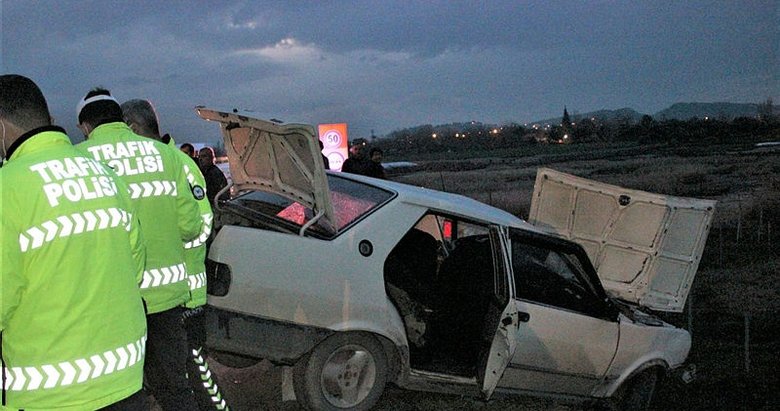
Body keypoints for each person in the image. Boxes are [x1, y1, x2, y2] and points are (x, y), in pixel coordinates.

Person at [0, 75, 147, 410]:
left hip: (47, 394)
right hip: (124, 379)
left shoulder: (7, 189)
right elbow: (135, 265)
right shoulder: (105, 176)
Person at [75, 88, 203, 410]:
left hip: (113, 305)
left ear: (85, 127)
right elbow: (191, 226)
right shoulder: (168, 156)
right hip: (166, 299)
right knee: (175, 388)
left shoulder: (80, 161)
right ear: (122, 120)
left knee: (123, 395)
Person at [120, 98, 230, 410]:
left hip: (185, 296)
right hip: (164, 297)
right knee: (172, 380)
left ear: (133, 128)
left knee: (197, 377)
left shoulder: (177, 162)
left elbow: (201, 223)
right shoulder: (157, 162)